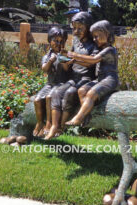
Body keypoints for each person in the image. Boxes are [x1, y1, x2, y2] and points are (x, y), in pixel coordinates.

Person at [44, 12, 96, 140]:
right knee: (56, 92)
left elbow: (91, 62)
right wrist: (64, 59)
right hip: (73, 78)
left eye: (80, 28)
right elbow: (69, 59)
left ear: (88, 28)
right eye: (74, 28)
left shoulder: (93, 44)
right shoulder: (76, 42)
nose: (76, 31)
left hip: (85, 79)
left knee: (69, 93)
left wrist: (74, 59)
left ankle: (62, 127)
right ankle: (54, 126)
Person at [65, 20, 119, 126]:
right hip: (100, 79)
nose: (94, 39)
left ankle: (78, 118)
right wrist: (75, 61)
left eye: (97, 36)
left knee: (91, 93)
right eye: (93, 37)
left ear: (107, 33)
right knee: (81, 90)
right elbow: (90, 62)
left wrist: (75, 55)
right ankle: (86, 114)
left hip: (110, 79)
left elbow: (93, 59)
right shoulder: (100, 49)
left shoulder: (110, 50)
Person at [33, 27, 71, 137]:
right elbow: (44, 69)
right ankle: (40, 122)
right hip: (50, 84)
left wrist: (62, 58)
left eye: (61, 41)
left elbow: (66, 69)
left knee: (50, 97)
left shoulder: (66, 55)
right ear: (50, 41)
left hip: (61, 84)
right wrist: (51, 60)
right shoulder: (47, 56)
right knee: (37, 99)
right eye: (55, 40)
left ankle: (49, 123)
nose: (58, 43)